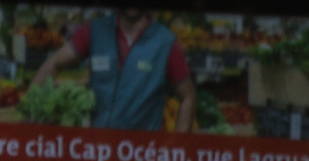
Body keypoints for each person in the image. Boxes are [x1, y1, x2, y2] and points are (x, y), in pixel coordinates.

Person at [29, 8, 197, 132]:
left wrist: (177, 149)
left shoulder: (165, 42)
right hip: (98, 150)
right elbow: (53, 64)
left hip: (141, 156)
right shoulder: (95, 30)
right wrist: (31, 111)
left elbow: (188, 96)